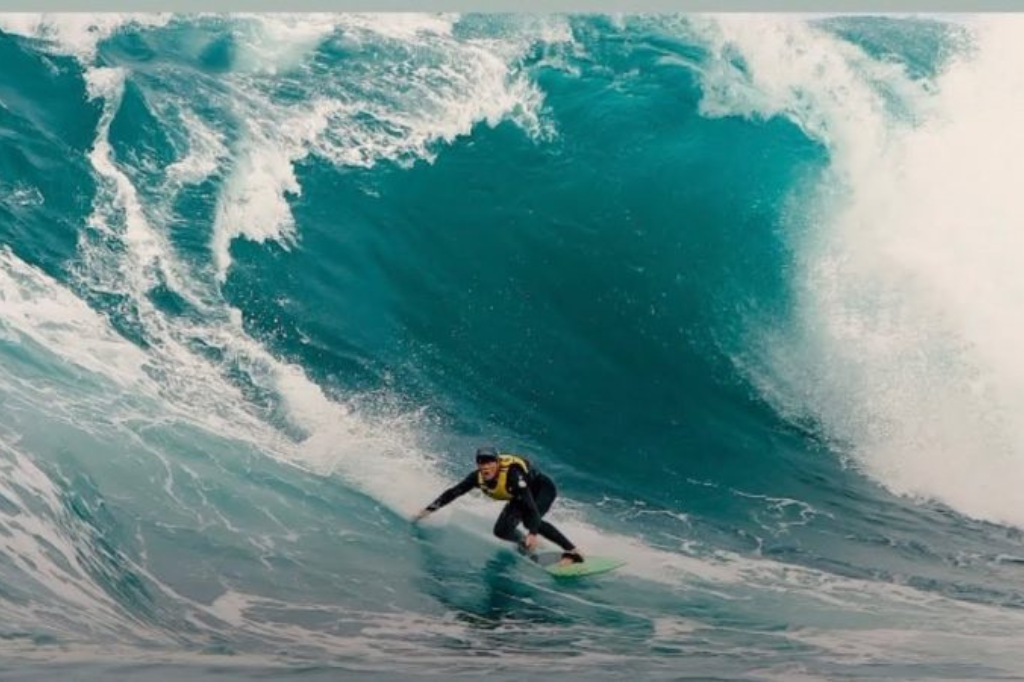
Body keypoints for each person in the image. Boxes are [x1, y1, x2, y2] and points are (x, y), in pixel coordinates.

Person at [413, 446, 584, 566]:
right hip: (519, 495)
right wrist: (428, 510)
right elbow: (453, 493)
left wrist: (532, 532)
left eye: (489, 462)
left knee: (530, 519)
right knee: (501, 531)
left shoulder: (512, 474)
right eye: (481, 462)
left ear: (497, 463)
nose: (485, 466)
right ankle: (523, 543)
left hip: (541, 489)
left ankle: (573, 551)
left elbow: (530, 505)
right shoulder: (476, 477)